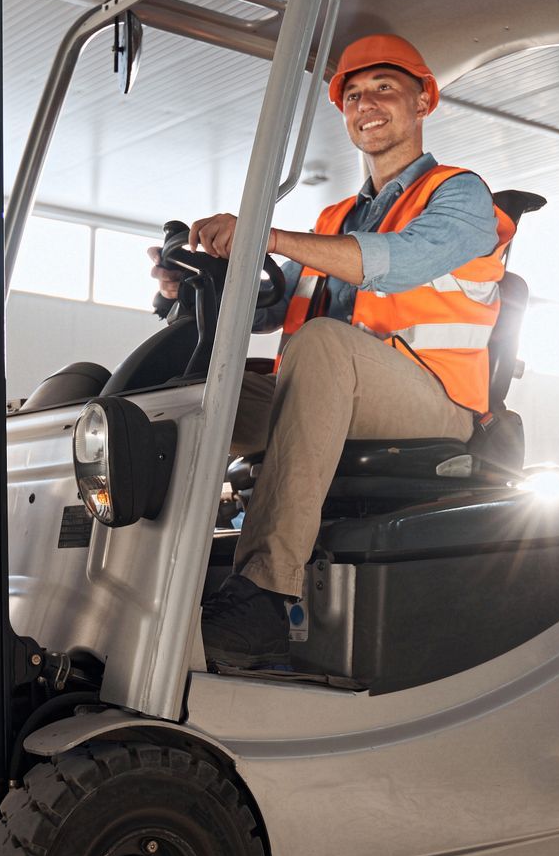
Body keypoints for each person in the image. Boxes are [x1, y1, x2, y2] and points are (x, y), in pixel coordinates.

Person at [163, 33, 518, 670]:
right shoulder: (331, 220)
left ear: (422, 102)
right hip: (330, 392)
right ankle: (147, 569)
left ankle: (264, 593)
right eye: (354, 94)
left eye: (385, 89)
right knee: (182, 393)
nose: (367, 104)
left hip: (434, 401)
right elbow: (271, 307)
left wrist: (267, 234)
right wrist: (198, 279)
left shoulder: (460, 194)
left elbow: (398, 263)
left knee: (326, 344)